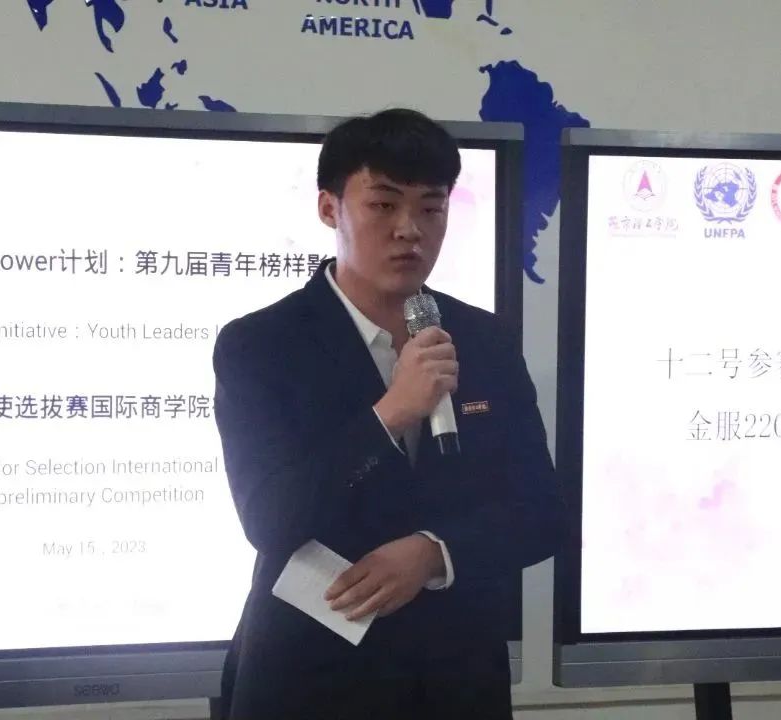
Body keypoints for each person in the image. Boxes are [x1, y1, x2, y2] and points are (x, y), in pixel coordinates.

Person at [212, 107, 563, 719]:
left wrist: (434, 553)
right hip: (309, 679)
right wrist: (389, 415)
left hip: (457, 681)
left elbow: (540, 512)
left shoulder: (484, 339)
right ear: (330, 208)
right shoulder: (261, 344)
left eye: (431, 208)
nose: (410, 230)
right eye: (383, 204)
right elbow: (270, 517)